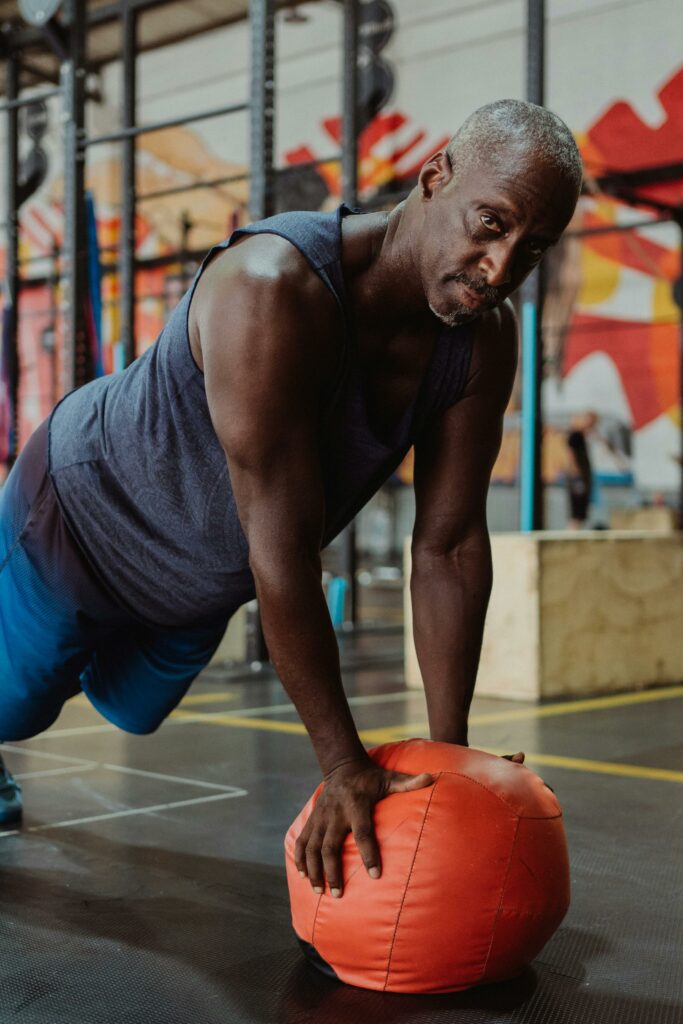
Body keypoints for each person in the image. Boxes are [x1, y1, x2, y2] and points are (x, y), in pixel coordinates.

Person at [0, 99, 582, 894]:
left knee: (130, 710)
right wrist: (343, 764)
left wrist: (450, 761)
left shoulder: (482, 341)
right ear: (432, 176)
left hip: (194, 585)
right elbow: (283, 545)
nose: (499, 266)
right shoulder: (270, 289)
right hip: (80, 519)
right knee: (17, 710)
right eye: (489, 222)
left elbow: (446, 543)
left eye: (532, 248)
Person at [566, 413, 596, 529]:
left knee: (582, 509)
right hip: (577, 476)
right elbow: (571, 453)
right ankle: (573, 530)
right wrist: (576, 471)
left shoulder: (583, 436)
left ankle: (577, 528)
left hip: (582, 475)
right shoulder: (575, 436)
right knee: (577, 508)